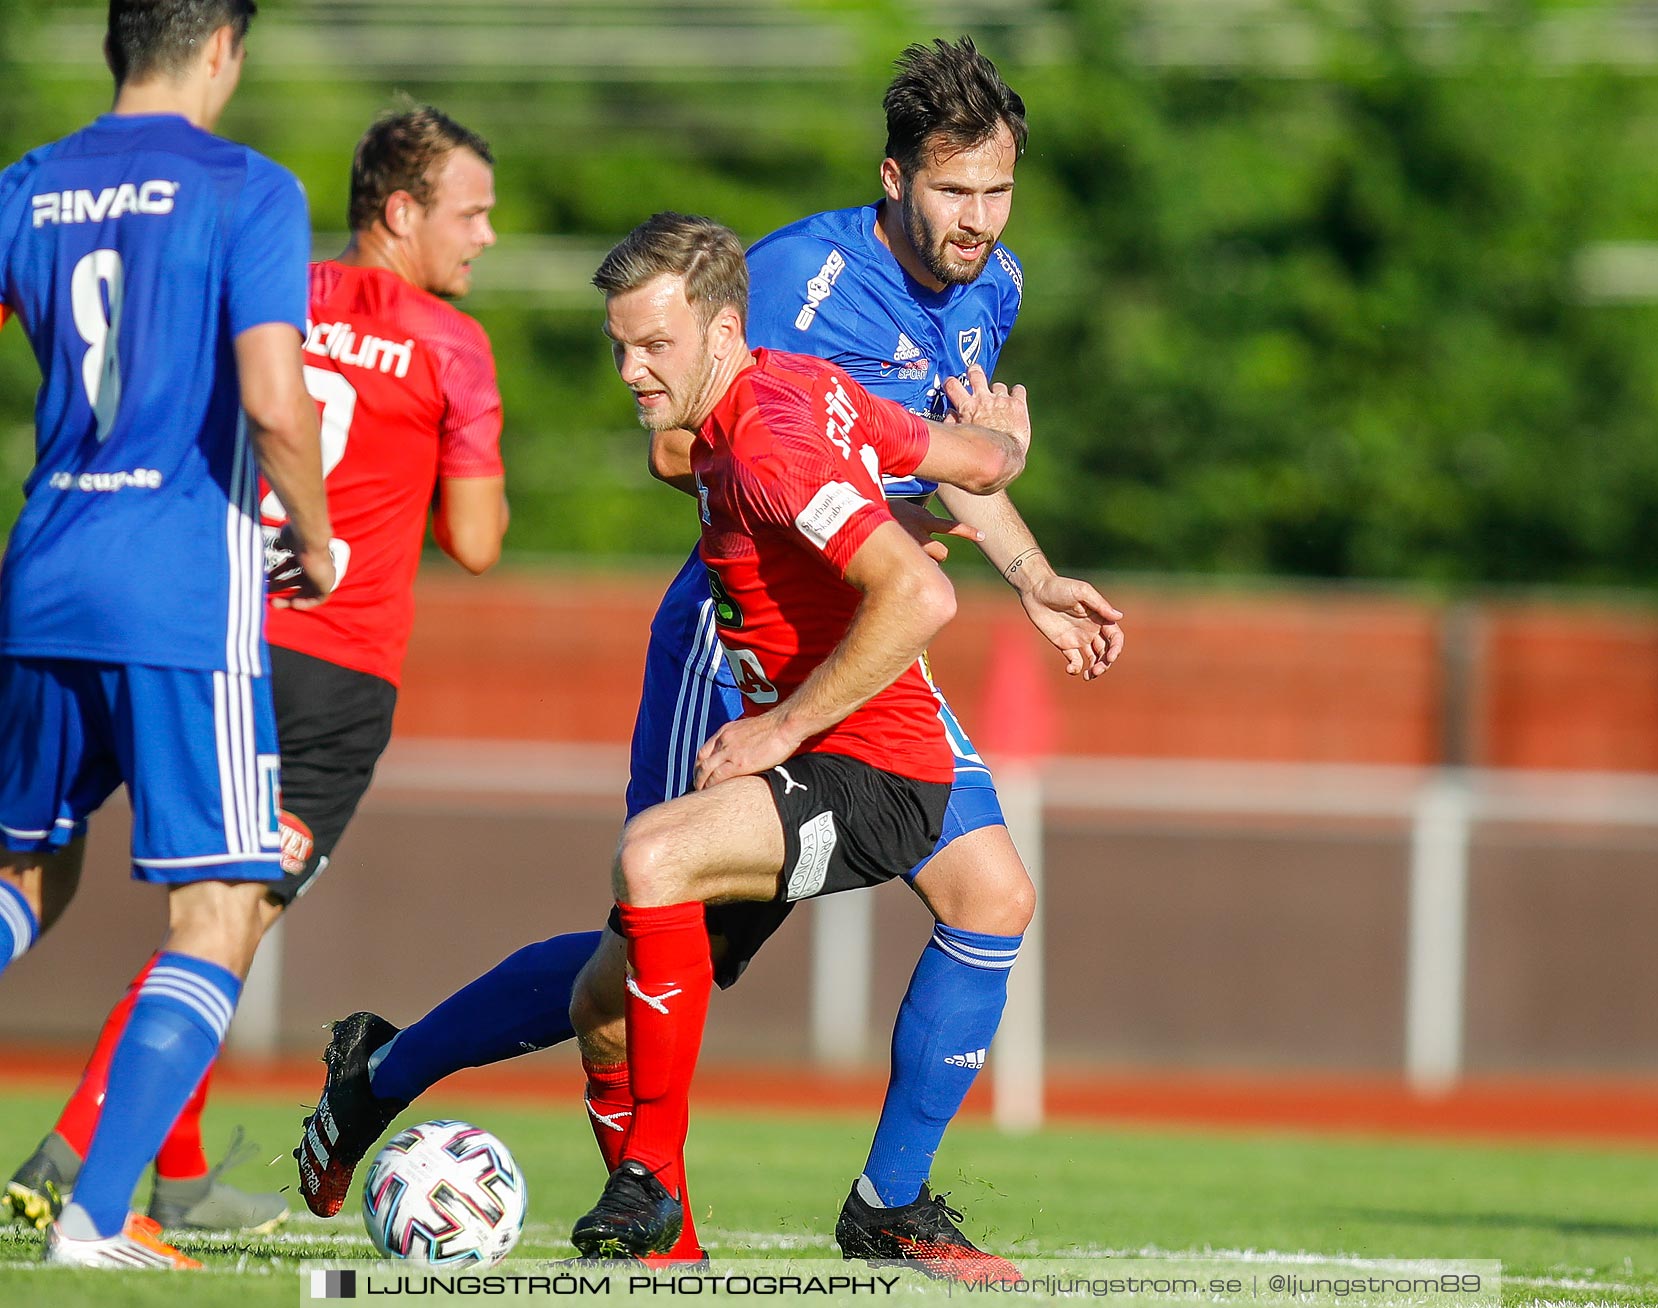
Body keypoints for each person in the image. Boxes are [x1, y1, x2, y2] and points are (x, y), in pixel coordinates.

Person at [294, 38, 1122, 1280]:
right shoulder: (795, 278)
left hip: (869, 639)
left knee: (992, 894)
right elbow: (685, 449)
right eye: (954, 193)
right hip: (742, 653)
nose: (979, 221)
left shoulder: (991, 285)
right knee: (629, 969)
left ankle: (888, 1206)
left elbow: (939, 455)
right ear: (894, 179)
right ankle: (406, 1089)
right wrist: (849, 509)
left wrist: (1035, 574)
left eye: (998, 193)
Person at [3, 105, 508, 1239]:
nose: (485, 236)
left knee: (135, 895)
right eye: (470, 213)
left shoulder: (271, 281)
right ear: (400, 211)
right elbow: (478, 542)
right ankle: (75, 1150)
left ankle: (173, 1181)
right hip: (333, 671)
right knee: (226, 921)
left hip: (201, 625)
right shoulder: (451, 344)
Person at [575, 210, 1029, 1264]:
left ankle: (648, 1184)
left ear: (725, 329)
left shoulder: (773, 443)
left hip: (868, 771)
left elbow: (919, 595)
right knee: (601, 982)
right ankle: (399, 1087)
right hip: (860, 757)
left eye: (655, 347)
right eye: (620, 347)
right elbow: (961, 455)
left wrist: (777, 728)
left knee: (653, 861)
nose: (631, 373)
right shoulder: (798, 386)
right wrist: (1007, 451)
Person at [0, 0, 332, 1269]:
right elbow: (273, 398)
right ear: (223, 51)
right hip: (178, 589)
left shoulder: (27, 183)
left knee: (27, 873)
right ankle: (95, 1218)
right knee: (222, 905)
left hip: (42, 577)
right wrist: (316, 530)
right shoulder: (247, 186)